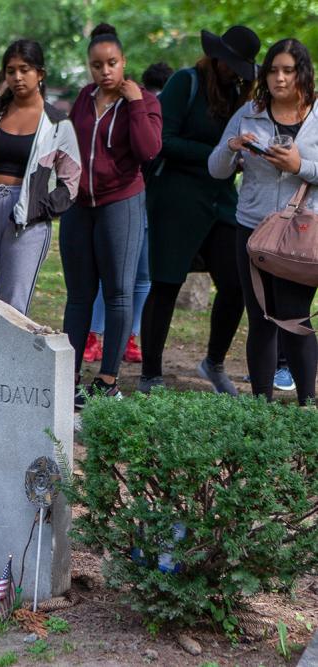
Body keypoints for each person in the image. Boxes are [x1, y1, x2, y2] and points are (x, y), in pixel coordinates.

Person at [139, 26, 261, 396]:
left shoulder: (242, 96)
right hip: (177, 199)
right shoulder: (184, 83)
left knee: (236, 283)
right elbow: (164, 141)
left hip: (221, 200)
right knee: (166, 284)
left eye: (241, 67)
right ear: (217, 56)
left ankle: (214, 362)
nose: (234, 71)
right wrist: (214, 155)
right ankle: (151, 374)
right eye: (231, 63)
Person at [209, 38, 318, 406]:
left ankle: (306, 408)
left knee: (295, 318)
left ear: (302, 73)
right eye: (273, 70)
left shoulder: (317, 114)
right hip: (252, 228)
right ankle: (260, 410)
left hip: (302, 231)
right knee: (261, 321)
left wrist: (297, 166)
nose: (280, 79)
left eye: (288, 70)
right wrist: (232, 147)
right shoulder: (248, 113)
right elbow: (215, 169)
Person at [61, 24, 161, 405]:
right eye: (97, 64)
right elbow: (70, 141)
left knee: (118, 292)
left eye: (112, 63)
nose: (105, 71)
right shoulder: (85, 98)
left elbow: (148, 150)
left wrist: (135, 103)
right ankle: (66, 378)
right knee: (78, 296)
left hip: (121, 202)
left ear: (124, 63)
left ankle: (106, 380)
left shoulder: (146, 101)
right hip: (79, 206)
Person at [0, 39, 80, 315]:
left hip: (27, 218)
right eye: (11, 70)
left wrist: (40, 208)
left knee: (13, 305)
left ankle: (6, 359)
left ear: (40, 73)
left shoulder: (57, 124)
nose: (17, 77)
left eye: (25, 69)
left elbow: (71, 184)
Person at [84, 62, 173, 365]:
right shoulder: (103, 104)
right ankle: (95, 334)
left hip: (146, 200)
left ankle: (128, 337)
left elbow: (153, 148)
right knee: (107, 274)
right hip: (117, 198)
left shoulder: (145, 104)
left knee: (142, 275)